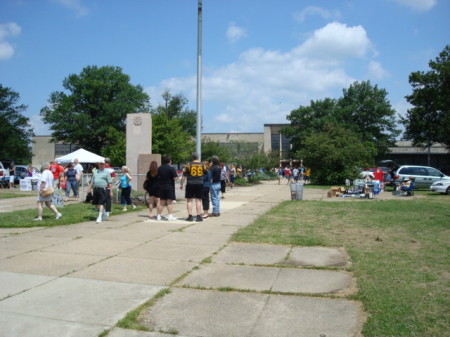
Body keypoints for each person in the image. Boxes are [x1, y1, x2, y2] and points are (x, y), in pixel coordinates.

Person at [180, 152, 205, 222]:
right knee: (198, 200)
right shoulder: (202, 165)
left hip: (190, 183)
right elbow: (205, 173)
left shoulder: (188, 165)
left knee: (189, 200)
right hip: (199, 183)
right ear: (198, 157)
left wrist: (181, 184)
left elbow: (184, 175)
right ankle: (198, 216)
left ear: (192, 157)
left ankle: (190, 216)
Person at [156, 155, 178, 221]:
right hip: (169, 186)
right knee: (169, 202)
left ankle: (158, 216)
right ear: (169, 161)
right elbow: (175, 178)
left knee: (162, 201)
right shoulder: (171, 168)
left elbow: (158, 176)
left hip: (161, 186)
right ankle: (170, 216)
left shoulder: (160, 168)